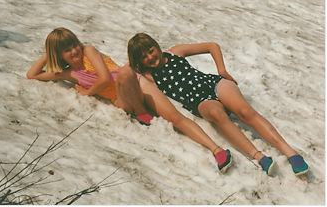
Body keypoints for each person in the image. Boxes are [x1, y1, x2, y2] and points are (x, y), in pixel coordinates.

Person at [27, 27, 233, 173]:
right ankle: (139, 111)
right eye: (66, 49)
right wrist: (48, 55)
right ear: (59, 54)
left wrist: (87, 93)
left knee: (173, 116)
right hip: (122, 100)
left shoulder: (88, 51)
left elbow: (105, 77)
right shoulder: (68, 73)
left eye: (74, 45)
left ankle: (217, 151)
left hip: (137, 84)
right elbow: (32, 75)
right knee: (125, 77)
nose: (74, 51)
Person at [127, 32, 309, 176]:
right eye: (143, 57)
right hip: (199, 101)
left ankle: (290, 152)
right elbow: (128, 78)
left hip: (213, 83)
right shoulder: (148, 77)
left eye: (151, 50)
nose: (150, 57)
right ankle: (258, 156)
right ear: (138, 61)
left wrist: (222, 70)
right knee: (216, 115)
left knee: (245, 112)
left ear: (156, 46)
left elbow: (212, 46)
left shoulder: (175, 51)